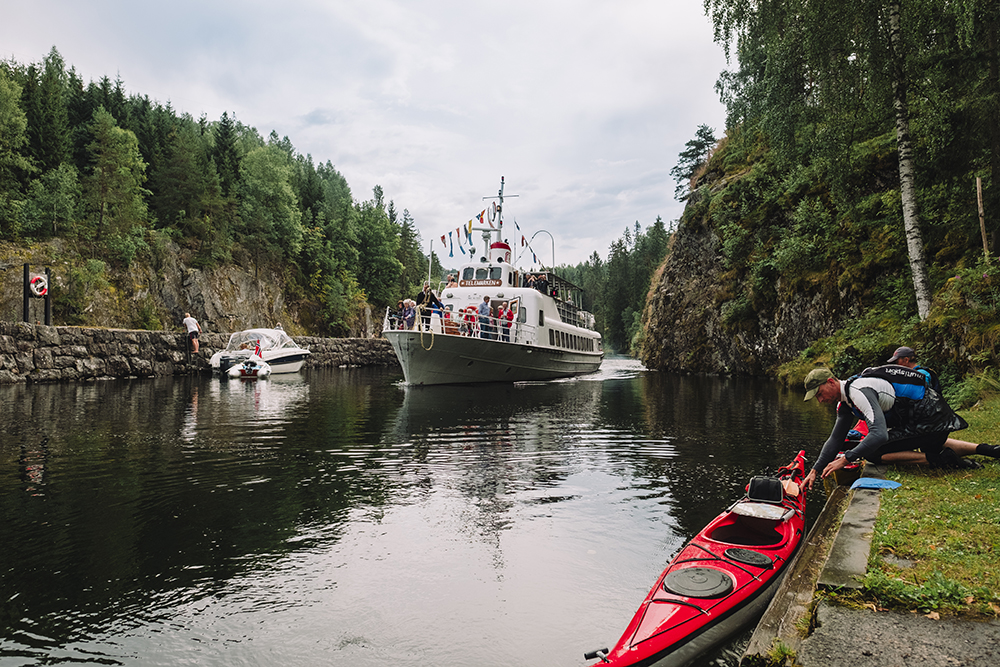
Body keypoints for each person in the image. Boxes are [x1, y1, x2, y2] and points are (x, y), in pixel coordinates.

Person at [801, 366, 1000, 491]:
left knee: (874, 452)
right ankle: (989, 450)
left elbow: (878, 434)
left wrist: (846, 459)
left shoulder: (858, 391)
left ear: (830, 382)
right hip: (933, 420)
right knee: (915, 439)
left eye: (819, 394)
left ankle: (942, 459)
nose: (819, 400)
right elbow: (835, 440)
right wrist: (815, 470)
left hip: (931, 419)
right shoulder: (846, 403)